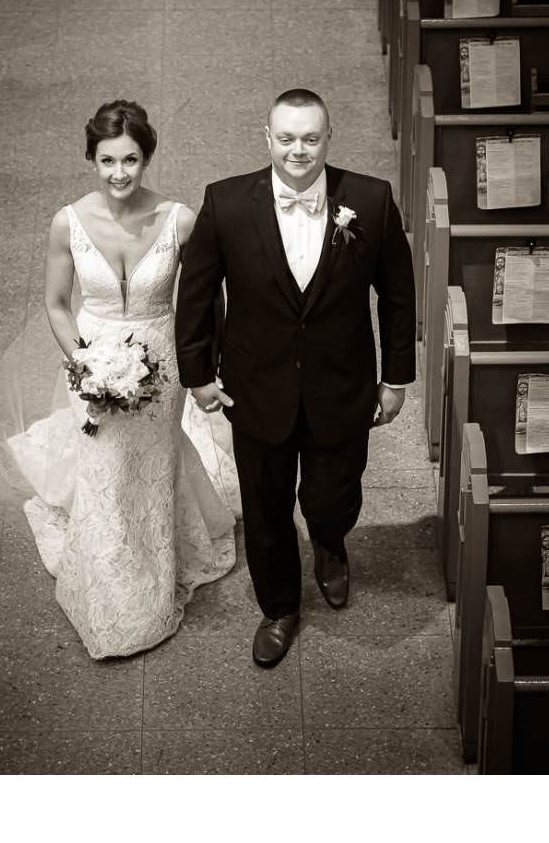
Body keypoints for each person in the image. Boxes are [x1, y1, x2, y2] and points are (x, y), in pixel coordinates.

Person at [0, 100, 239, 659]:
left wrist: (202, 365)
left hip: (160, 361)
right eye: (108, 161)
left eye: (132, 160)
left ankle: (159, 559)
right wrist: (84, 364)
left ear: (148, 158)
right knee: (106, 465)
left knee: (154, 457)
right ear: (91, 159)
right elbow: (57, 305)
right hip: (91, 358)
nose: (120, 174)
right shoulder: (67, 222)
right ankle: (112, 583)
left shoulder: (180, 220)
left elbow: (210, 298)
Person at [175, 88, 416, 668]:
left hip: (342, 384)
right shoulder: (226, 203)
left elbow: (398, 295)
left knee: (333, 498)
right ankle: (279, 608)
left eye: (311, 138)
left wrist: (397, 377)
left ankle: (331, 543)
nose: (299, 150)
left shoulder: (372, 201)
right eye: (287, 138)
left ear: (328, 138)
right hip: (256, 388)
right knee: (265, 509)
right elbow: (198, 294)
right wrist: (197, 374)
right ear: (268, 138)